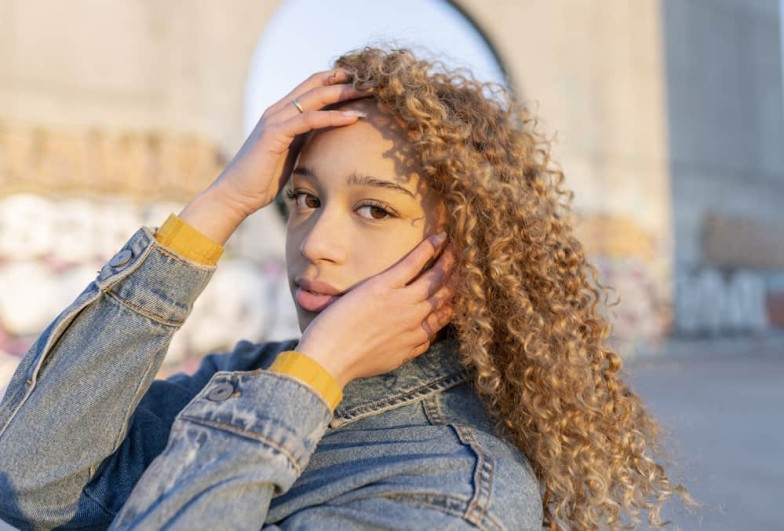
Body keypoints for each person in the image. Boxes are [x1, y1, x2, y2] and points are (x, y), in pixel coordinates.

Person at [0, 47, 689, 530]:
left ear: (465, 254)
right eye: (303, 198)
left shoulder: (454, 493)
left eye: (375, 209)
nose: (315, 242)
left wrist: (309, 379)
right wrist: (219, 205)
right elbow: (26, 478)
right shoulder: (251, 379)